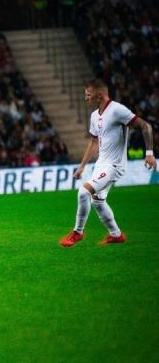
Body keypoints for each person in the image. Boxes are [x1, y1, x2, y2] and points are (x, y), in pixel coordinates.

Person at [60, 79, 156, 247]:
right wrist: (82, 166)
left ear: (100, 95)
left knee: (84, 192)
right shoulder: (94, 116)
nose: (86, 98)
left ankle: (77, 232)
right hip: (101, 165)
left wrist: (149, 153)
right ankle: (116, 235)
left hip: (114, 165)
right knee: (97, 201)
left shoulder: (117, 110)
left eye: (88, 95)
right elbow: (94, 143)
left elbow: (145, 126)